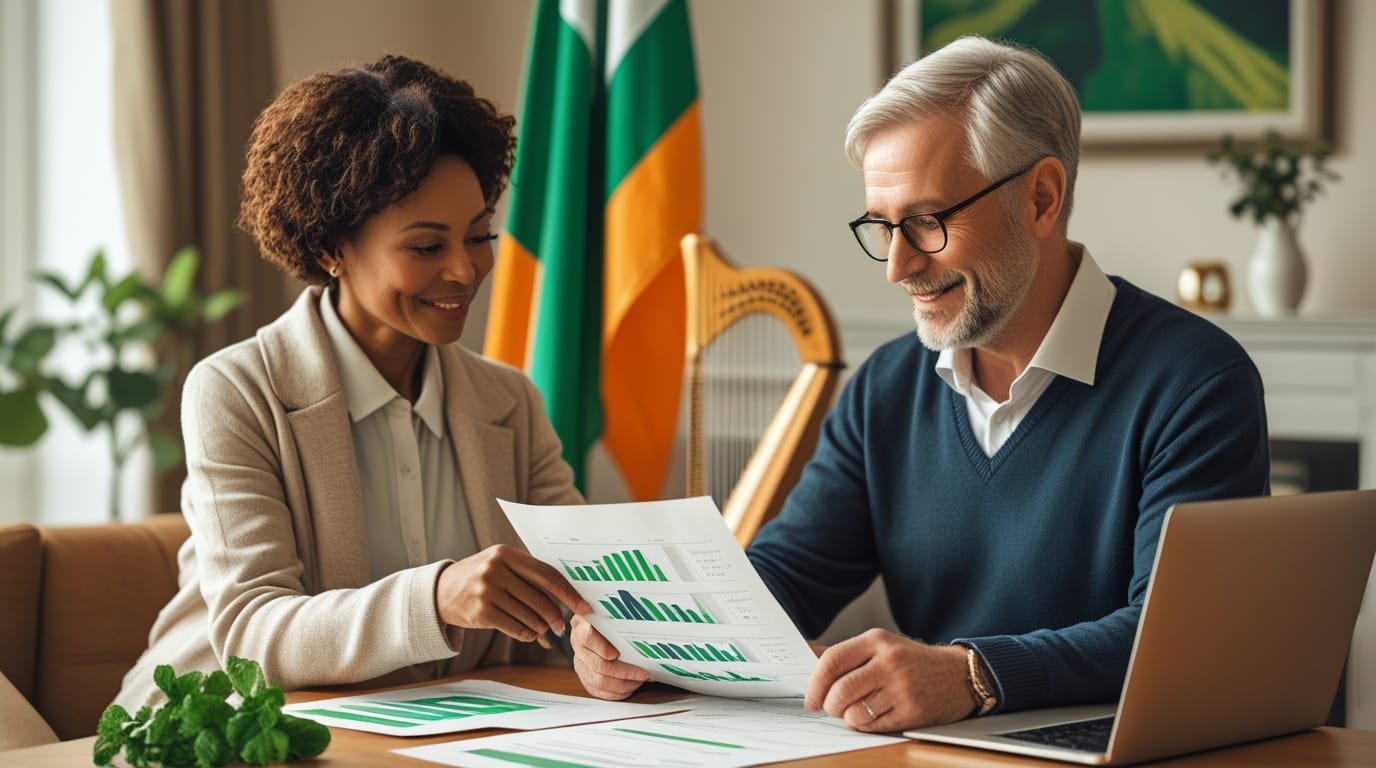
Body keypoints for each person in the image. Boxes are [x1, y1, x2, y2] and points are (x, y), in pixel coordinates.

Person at [570, 35, 1270, 732]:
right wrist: (647, 635)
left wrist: (974, 674)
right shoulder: (888, 386)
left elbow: (1176, 634)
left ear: (1042, 198)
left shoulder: (1196, 381)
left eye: (927, 222)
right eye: (882, 226)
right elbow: (790, 576)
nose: (897, 266)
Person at [113, 54, 590, 711]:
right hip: (226, 729)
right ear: (330, 249)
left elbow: (584, 587)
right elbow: (253, 635)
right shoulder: (237, 391)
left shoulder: (510, 401)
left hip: (434, 735)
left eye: (479, 235)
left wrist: (600, 633)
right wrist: (436, 596)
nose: (465, 270)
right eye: (426, 247)